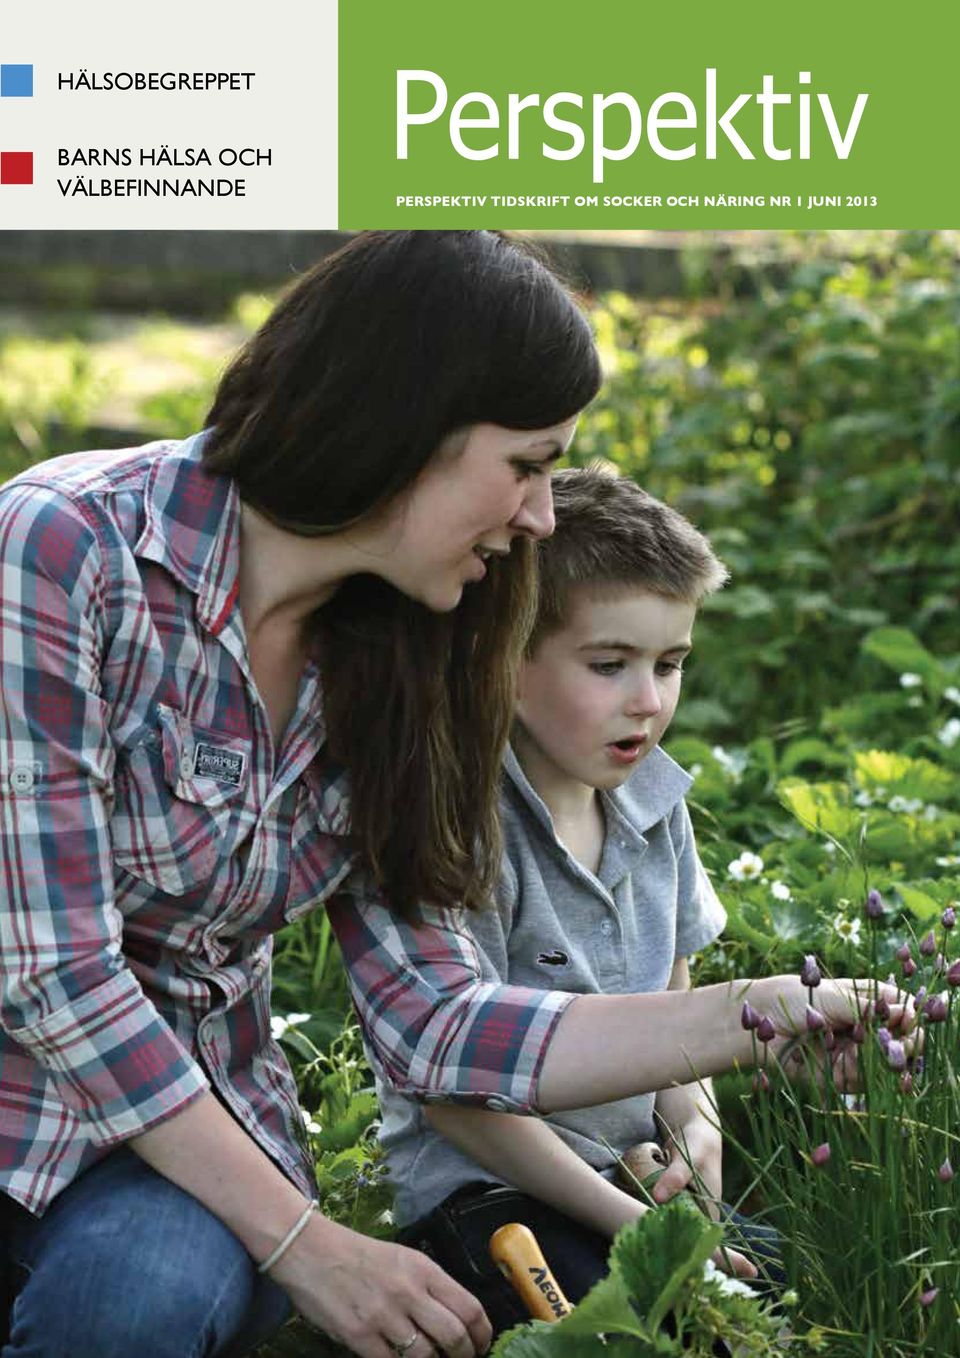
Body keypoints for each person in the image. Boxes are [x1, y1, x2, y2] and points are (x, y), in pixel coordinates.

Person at [0, 230, 602, 1358]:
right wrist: (308, 1243)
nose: (542, 517)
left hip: (169, 1161)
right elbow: (51, 970)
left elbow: (431, 1018)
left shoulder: (401, 657)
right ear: (410, 421)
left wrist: (753, 1019)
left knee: (135, 1304)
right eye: (528, 463)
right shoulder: (65, 546)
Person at [361, 468, 780, 1333]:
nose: (649, 701)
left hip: (631, 1179)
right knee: (605, 1325)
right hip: (493, 1197)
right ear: (506, 664)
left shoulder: (658, 807)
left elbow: (675, 1023)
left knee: (768, 1293)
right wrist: (633, 1225)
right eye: (610, 664)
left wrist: (697, 1145)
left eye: (669, 665)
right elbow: (455, 1097)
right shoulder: (464, 826)